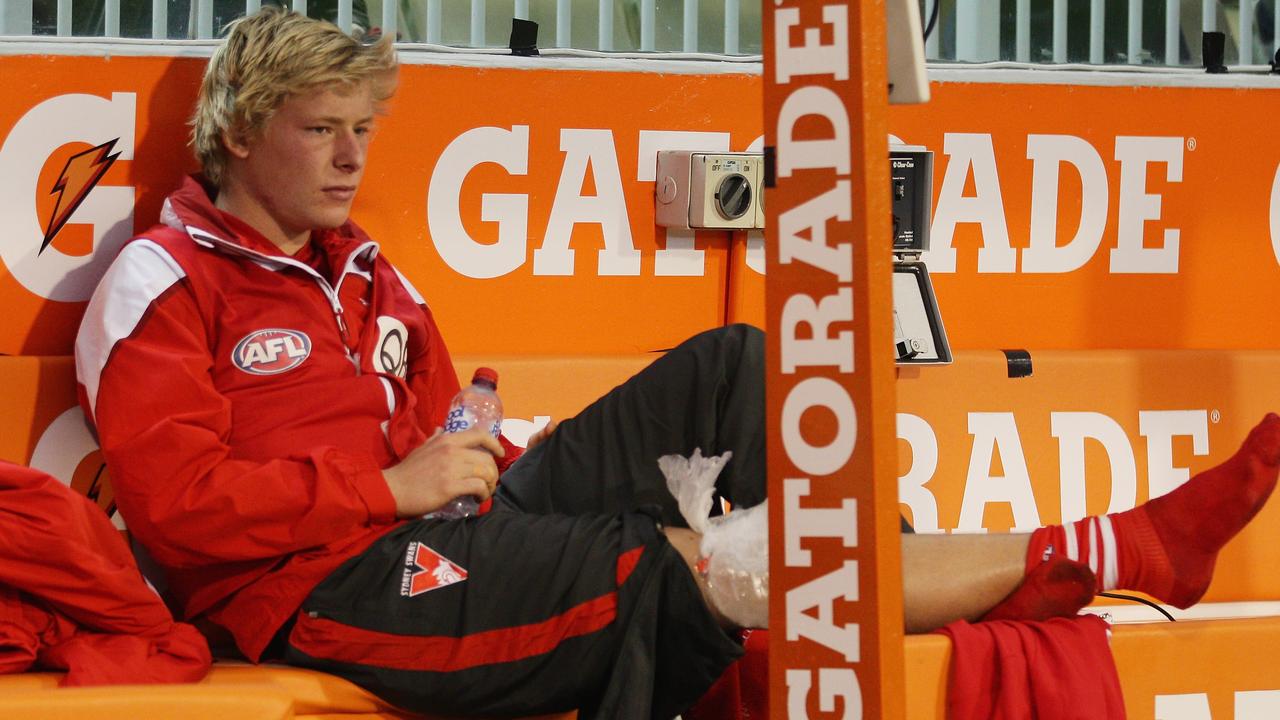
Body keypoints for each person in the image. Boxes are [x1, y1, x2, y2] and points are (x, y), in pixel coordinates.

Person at [74, 7, 1280, 718]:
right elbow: (179, 516)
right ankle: (1079, 554)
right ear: (237, 132)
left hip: (445, 519)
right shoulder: (164, 280)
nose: (350, 158)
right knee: (664, 561)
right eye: (320, 129)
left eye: (362, 130)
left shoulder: (372, 271)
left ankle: (936, 587)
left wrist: (491, 449)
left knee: (740, 369)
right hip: (321, 589)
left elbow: (446, 420)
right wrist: (384, 493)